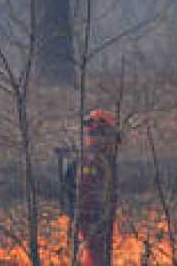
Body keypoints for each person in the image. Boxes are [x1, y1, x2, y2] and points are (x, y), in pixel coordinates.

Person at [76, 109, 120, 266]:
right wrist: (93, 217)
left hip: (100, 218)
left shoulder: (103, 160)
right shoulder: (91, 161)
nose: (112, 143)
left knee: (98, 254)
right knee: (94, 254)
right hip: (92, 218)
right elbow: (86, 191)